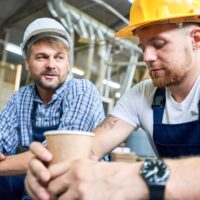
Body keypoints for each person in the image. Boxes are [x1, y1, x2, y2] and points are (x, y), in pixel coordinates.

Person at [25, 0, 200, 199]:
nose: (147, 57)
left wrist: (129, 178)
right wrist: (53, 166)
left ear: (196, 38)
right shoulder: (143, 94)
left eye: (159, 44)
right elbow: (91, 149)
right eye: (143, 47)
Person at [0, 17, 104, 200]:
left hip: (78, 189)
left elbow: (61, 155)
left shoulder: (82, 90)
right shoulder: (20, 98)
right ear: (27, 62)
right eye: (42, 57)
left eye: (59, 57)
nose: (51, 64)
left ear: (67, 62)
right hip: (32, 185)